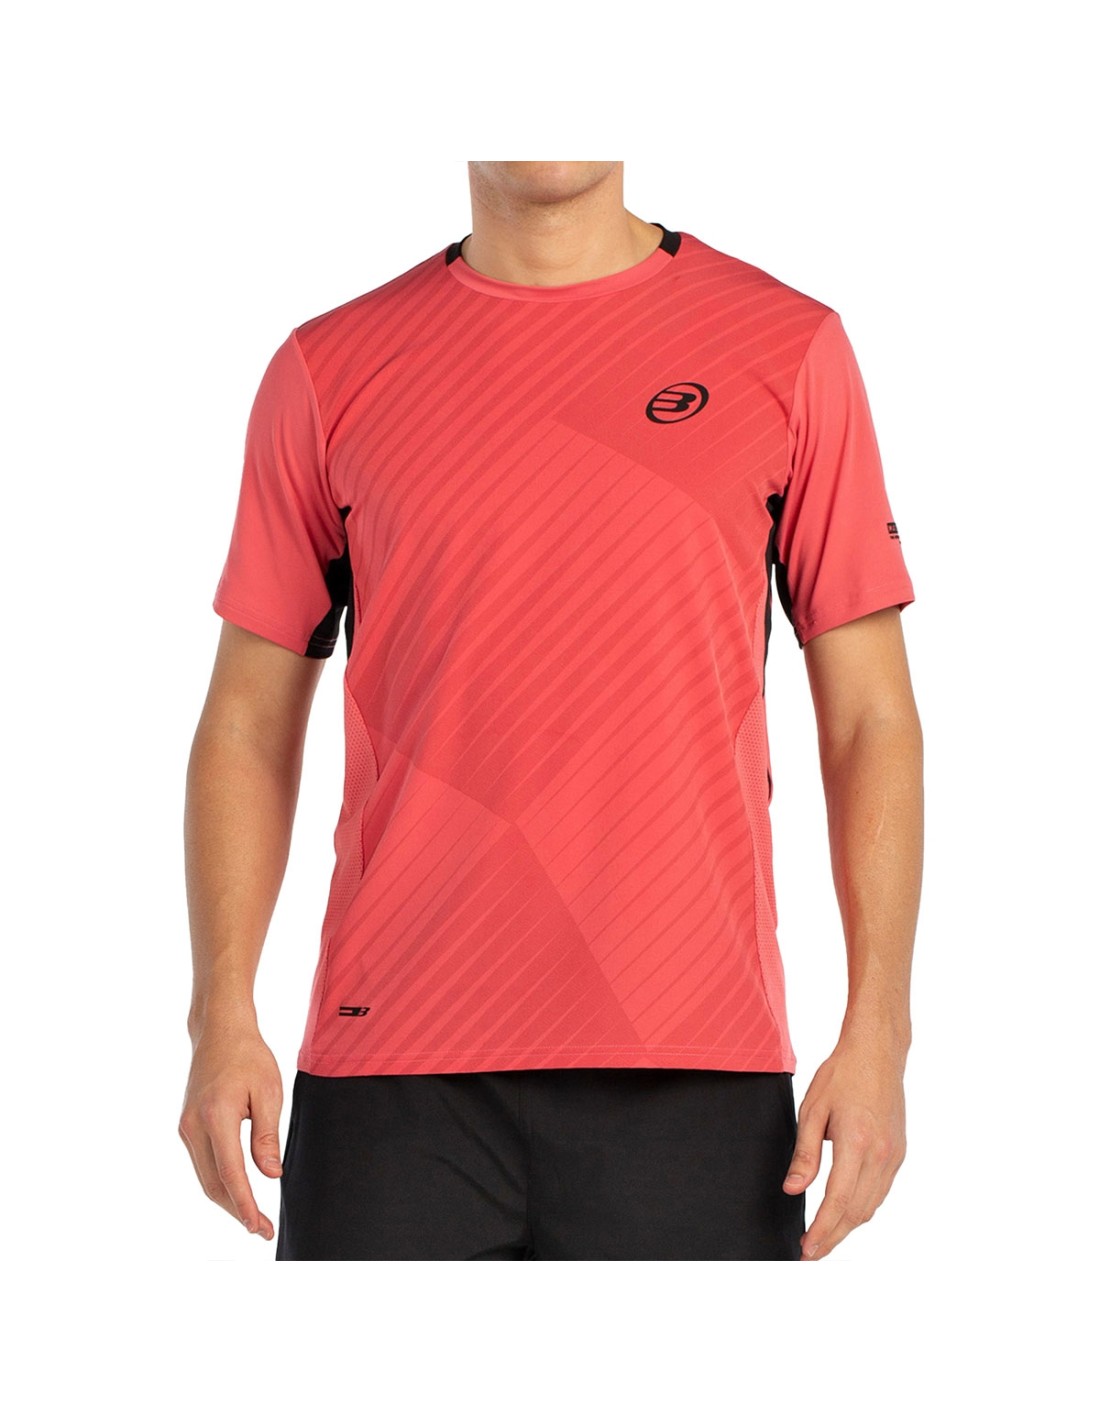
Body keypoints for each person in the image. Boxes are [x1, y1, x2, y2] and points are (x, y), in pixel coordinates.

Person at [180, 161, 922, 1261]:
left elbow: (870, 721)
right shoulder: (328, 369)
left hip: (696, 1067)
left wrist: (879, 1036)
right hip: (392, 1079)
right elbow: (246, 719)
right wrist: (219, 1014)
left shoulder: (785, 346)